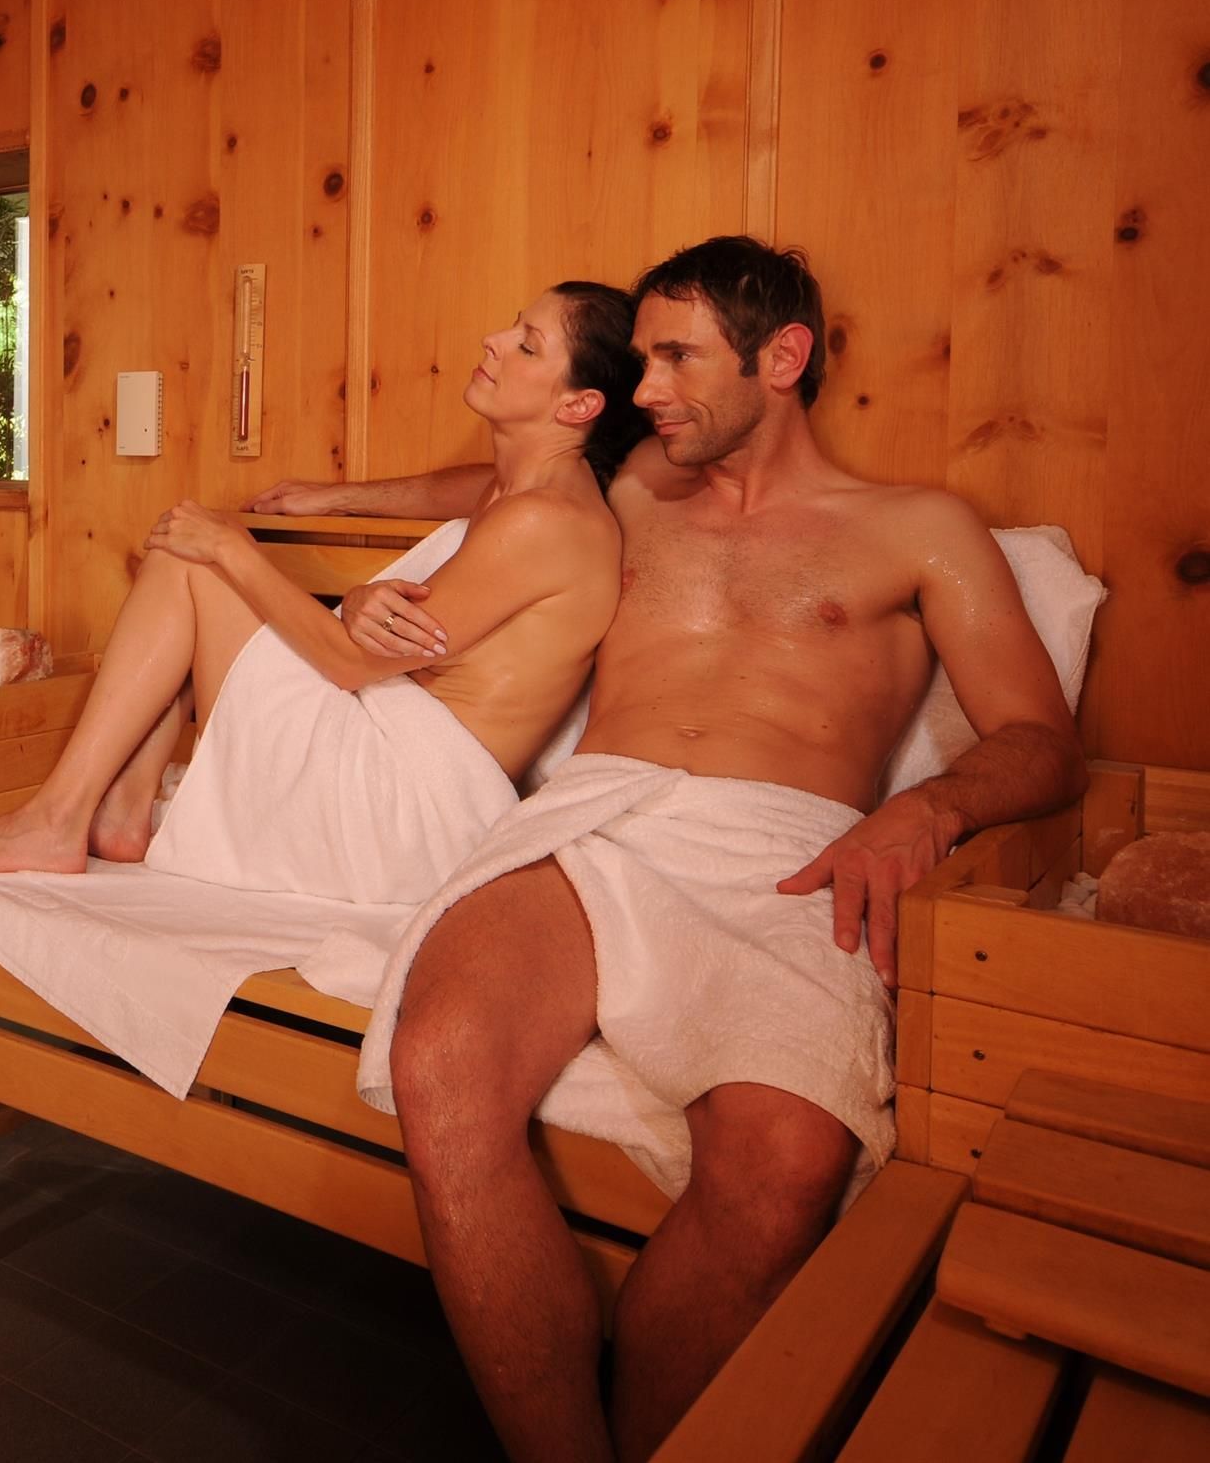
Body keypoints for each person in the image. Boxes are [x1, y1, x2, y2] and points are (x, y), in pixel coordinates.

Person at [252, 236, 1087, 1463]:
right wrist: (332, 504)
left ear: (781, 358)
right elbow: (501, 480)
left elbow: (1040, 741)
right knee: (441, 1059)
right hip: (593, 815)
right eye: (639, 360)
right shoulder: (636, 485)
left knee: (785, 1164)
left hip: (784, 846)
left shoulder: (916, 530)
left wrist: (925, 809)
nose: (643, 389)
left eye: (675, 358)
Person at [0, 283, 651, 885]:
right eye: (511, 326)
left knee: (193, 558)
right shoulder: (532, 487)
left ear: (578, 405)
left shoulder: (542, 522)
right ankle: (118, 812)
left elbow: (351, 662)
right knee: (199, 558)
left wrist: (237, 551)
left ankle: (59, 818)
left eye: (527, 345)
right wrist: (337, 497)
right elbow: (462, 487)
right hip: (399, 769)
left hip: (398, 813)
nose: (494, 340)